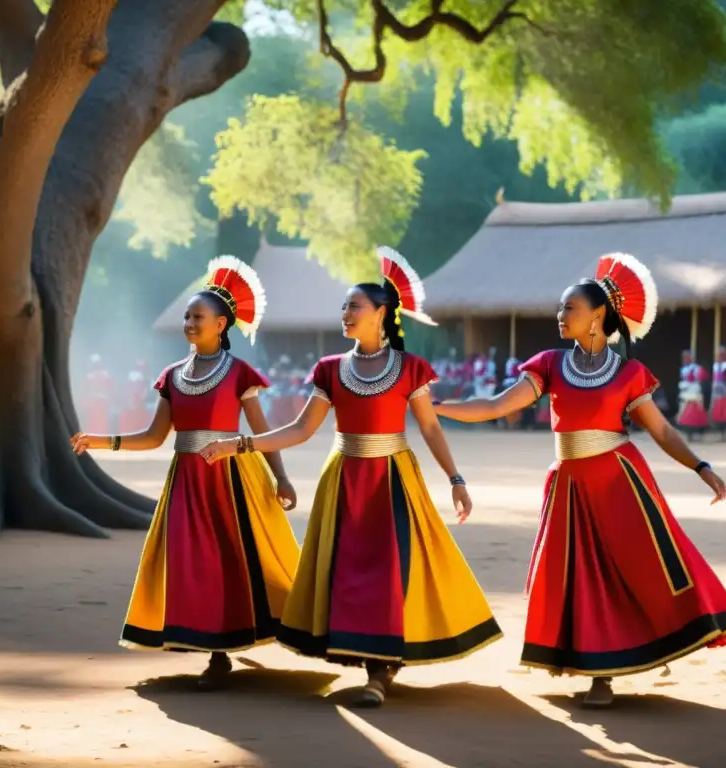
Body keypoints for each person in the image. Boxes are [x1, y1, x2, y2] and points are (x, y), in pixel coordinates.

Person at [432, 253, 726, 708]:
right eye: (560, 309)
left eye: (570, 308)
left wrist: (700, 466)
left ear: (598, 315)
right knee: (580, 576)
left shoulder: (629, 373)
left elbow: (661, 430)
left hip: (621, 484)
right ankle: (596, 670)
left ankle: (614, 668)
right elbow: (498, 405)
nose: (561, 316)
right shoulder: (549, 364)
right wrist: (441, 407)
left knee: (628, 571)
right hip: (568, 485)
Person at [200, 246, 502, 708]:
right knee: (348, 574)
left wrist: (456, 479)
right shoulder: (329, 370)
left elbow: (429, 427)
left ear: (381, 313)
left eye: (354, 306)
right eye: (343, 306)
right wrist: (239, 445)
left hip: (394, 481)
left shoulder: (410, 368)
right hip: (343, 482)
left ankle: (380, 672)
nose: (345, 313)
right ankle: (370, 663)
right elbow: (301, 430)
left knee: (387, 573)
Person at [71, 256, 300, 689]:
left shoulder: (239, 374)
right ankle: (212, 644)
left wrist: (281, 477)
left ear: (221, 325)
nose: (189, 322)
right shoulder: (172, 377)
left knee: (233, 558)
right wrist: (103, 441)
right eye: (186, 316)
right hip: (186, 482)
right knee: (192, 560)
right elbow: (155, 436)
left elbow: (261, 429)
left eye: (198, 316)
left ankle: (221, 652)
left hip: (232, 479)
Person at [676, 350, 710, 441]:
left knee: (697, 413)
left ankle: (699, 432)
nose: (685, 360)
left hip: (695, 392)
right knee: (683, 412)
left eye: (687, 357)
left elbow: (703, 377)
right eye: (684, 358)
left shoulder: (697, 368)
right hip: (685, 393)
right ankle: (688, 433)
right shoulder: (683, 369)